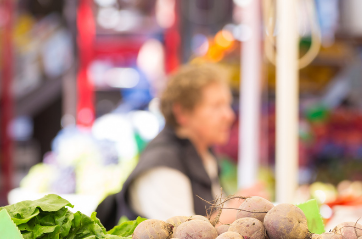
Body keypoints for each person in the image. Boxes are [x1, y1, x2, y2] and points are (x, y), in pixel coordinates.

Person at [97, 63, 259, 225]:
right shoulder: (161, 167)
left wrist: (236, 205)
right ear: (181, 112)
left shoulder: (203, 153)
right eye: (217, 106)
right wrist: (234, 213)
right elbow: (182, 236)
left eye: (228, 105)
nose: (229, 115)